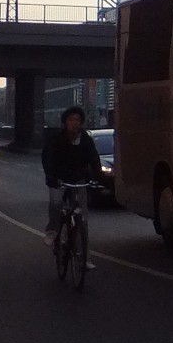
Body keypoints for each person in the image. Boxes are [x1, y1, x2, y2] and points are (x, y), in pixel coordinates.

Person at [41, 105, 102, 269]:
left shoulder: (86, 140)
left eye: (77, 120)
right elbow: (48, 158)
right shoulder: (56, 139)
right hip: (59, 178)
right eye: (71, 120)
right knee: (55, 203)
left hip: (78, 179)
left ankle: (85, 258)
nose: (74, 123)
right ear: (65, 122)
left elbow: (94, 159)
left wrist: (97, 176)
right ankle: (52, 231)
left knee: (83, 218)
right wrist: (51, 176)